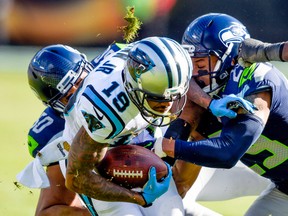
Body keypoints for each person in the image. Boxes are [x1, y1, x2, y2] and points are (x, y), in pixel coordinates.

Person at [154, 13, 288, 215]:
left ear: (231, 60)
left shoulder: (257, 83)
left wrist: (163, 146)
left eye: (200, 65)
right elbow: (181, 183)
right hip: (283, 187)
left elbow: (227, 153)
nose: (194, 74)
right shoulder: (209, 98)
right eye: (190, 64)